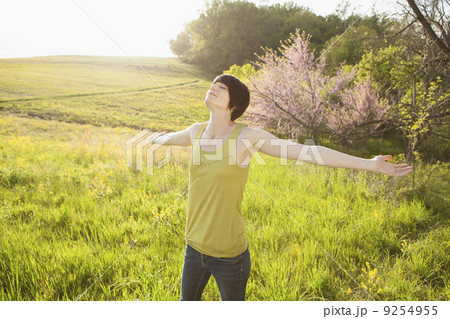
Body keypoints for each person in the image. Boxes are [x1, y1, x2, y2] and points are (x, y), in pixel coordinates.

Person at [147, 74, 413, 301]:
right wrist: (152, 138)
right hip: (193, 248)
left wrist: (369, 164)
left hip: (229, 256)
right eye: (214, 83)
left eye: (223, 87)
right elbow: (169, 137)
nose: (214, 87)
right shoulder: (196, 131)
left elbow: (308, 152)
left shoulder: (248, 137)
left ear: (234, 104)